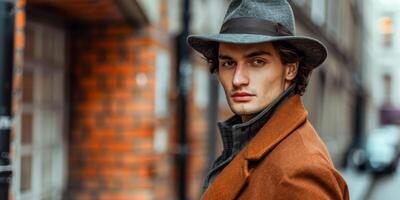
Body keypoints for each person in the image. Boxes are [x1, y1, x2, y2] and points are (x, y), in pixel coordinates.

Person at [187, 0, 350, 199]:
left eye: (257, 62)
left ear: (291, 68)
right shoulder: (251, 139)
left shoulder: (301, 171)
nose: (238, 79)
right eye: (228, 63)